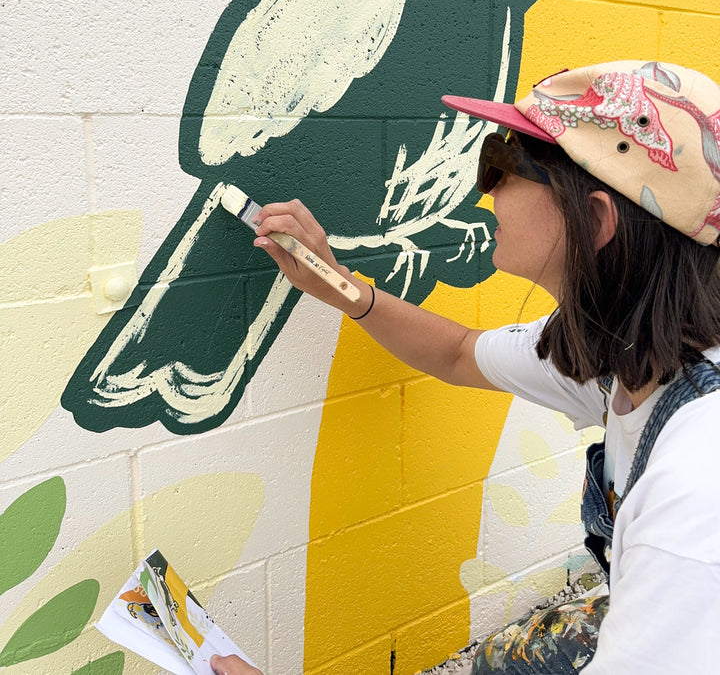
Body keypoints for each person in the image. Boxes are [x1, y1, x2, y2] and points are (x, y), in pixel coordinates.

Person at [231, 61, 720, 673]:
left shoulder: (695, 491)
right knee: (502, 658)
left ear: (595, 220)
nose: (487, 191)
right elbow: (459, 352)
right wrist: (338, 285)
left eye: (504, 165)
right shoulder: (626, 350)